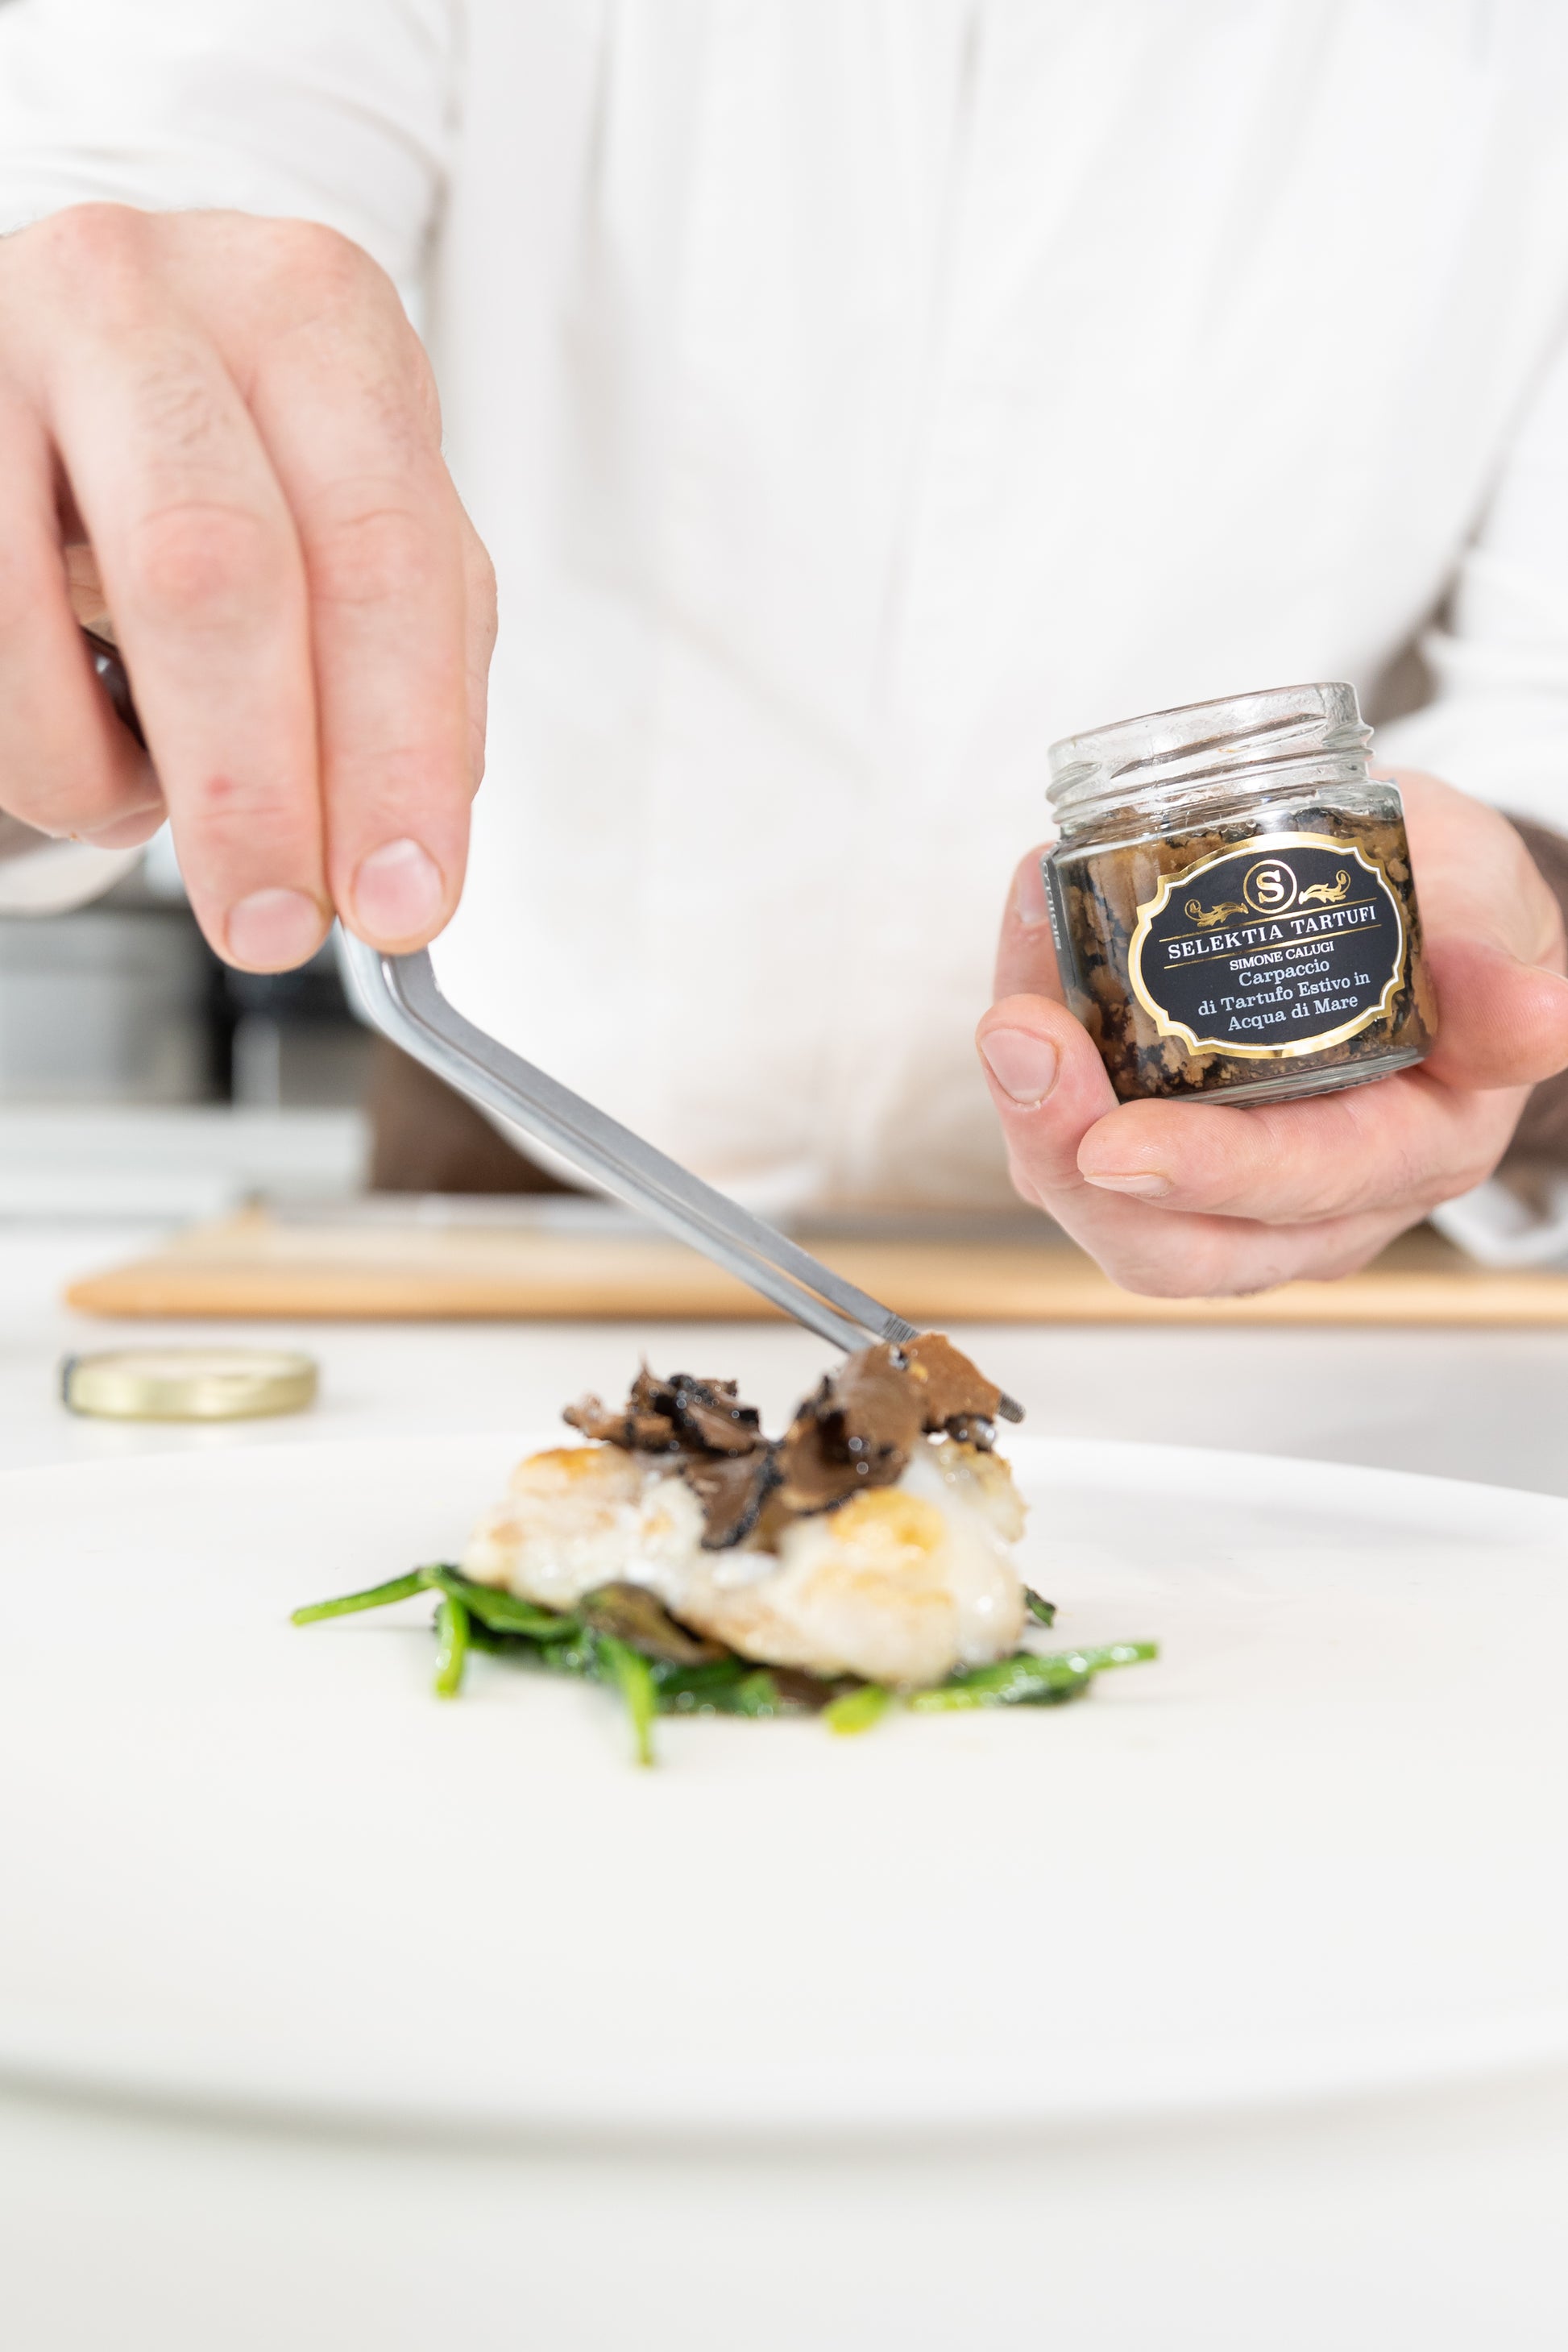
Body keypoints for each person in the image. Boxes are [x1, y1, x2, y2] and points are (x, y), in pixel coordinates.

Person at [0, 0, 1566, 1293]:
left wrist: (1514, 929)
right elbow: (146, 185)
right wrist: (85, 512)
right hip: (517, 1160)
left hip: (1332, 1220)